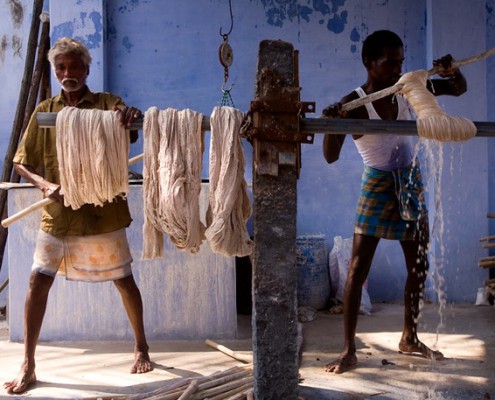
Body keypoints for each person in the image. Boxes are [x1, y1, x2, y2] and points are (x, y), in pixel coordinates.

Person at [3, 37, 151, 394]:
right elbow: (20, 162)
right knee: (38, 280)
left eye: (73, 66)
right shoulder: (45, 111)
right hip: (60, 212)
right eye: (61, 68)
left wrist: (128, 117)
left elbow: (127, 122)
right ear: (56, 72)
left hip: (102, 210)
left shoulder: (106, 104)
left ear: (87, 69)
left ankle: (142, 346)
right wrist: (44, 185)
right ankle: (28, 363)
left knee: (123, 279)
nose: (67, 73)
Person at [322, 30, 467, 374]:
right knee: (357, 269)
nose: (396, 69)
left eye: (400, 62)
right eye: (389, 63)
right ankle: (348, 349)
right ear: (369, 63)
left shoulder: (409, 90)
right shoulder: (354, 104)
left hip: (410, 180)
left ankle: (409, 338)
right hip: (376, 182)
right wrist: (333, 124)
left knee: (418, 265)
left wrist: (451, 72)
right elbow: (329, 156)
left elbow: (458, 88)